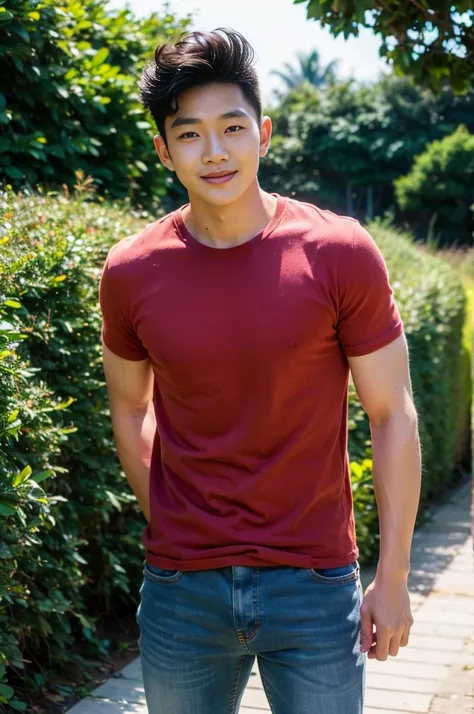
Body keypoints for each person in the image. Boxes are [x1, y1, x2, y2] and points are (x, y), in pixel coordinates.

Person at [98, 27, 422, 714]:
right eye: (189, 134)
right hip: (183, 591)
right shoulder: (131, 272)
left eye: (232, 128)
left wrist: (393, 576)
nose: (214, 152)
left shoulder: (339, 252)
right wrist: (176, 523)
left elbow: (392, 412)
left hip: (315, 583)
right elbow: (129, 408)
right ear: (164, 150)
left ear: (264, 134)